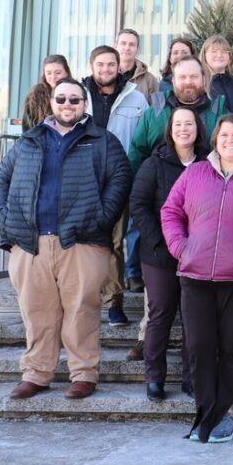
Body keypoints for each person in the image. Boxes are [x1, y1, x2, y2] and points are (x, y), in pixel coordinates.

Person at [0, 77, 131, 400]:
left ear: (84, 105)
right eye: (61, 99)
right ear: (52, 103)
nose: (67, 105)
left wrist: (100, 217)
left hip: (81, 241)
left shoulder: (102, 141)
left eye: (74, 100)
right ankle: (36, 372)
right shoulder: (29, 140)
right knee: (36, 309)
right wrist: (3, 220)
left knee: (81, 308)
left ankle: (83, 373)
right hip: (31, 243)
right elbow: (0, 182)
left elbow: (120, 179)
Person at [160, 114, 233, 444]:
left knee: (231, 349)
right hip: (195, 275)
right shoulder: (195, 173)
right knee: (199, 347)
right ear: (215, 139)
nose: (229, 140)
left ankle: (226, 415)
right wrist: (181, 248)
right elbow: (170, 212)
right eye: (223, 135)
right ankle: (206, 410)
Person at [129, 105, 206, 401]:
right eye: (178, 125)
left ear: (198, 129)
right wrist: (159, 240)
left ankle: (191, 378)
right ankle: (155, 379)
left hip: (197, 254)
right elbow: (138, 204)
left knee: (193, 318)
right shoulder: (155, 163)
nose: (184, 129)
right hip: (159, 254)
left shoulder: (207, 163)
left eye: (189, 124)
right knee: (160, 314)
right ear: (169, 130)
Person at [82, 45, 149, 325]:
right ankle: (84, 302)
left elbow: (143, 141)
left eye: (111, 64)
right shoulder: (78, 96)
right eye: (100, 65)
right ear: (92, 66)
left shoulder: (135, 98)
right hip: (83, 182)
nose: (106, 70)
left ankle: (113, 302)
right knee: (82, 243)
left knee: (113, 244)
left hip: (119, 182)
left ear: (118, 66)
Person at [129, 56, 228, 173]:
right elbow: (136, 154)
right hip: (160, 186)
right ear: (173, 81)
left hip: (205, 185)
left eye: (194, 77)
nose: (188, 82)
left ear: (203, 79)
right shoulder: (155, 113)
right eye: (182, 77)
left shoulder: (218, 113)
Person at [22, 54, 72, 131]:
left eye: (58, 73)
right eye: (49, 73)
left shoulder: (76, 92)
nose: (53, 77)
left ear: (67, 72)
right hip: (40, 141)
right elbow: (27, 125)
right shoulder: (35, 94)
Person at [115, 28, 159, 102]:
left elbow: (157, 110)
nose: (127, 48)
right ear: (116, 46)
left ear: (137, 49)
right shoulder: (107, 75)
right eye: (123, 43)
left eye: (131, 44)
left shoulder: (150, 80)